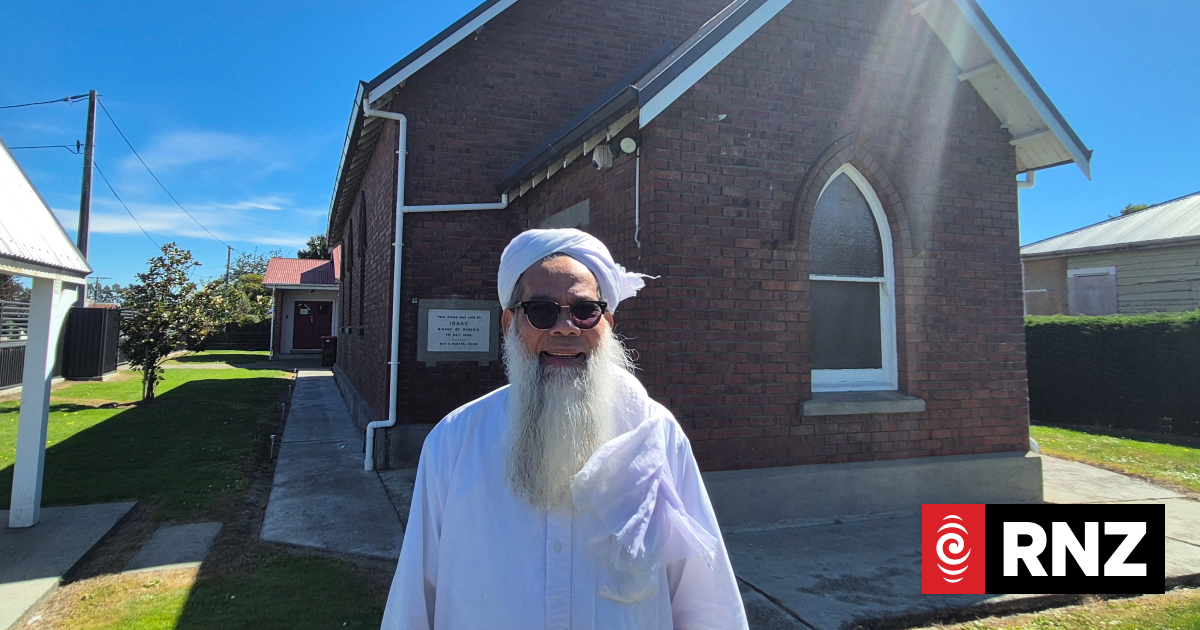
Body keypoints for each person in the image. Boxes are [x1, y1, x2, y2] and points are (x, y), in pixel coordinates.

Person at [380, 228, 748, 630]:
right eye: (541, 310)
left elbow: (703, 599)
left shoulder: (656, 434)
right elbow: (417, 599)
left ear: (606, 322)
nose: (565, 327)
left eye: (584, 310)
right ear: (509, 323)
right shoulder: (453, 443)